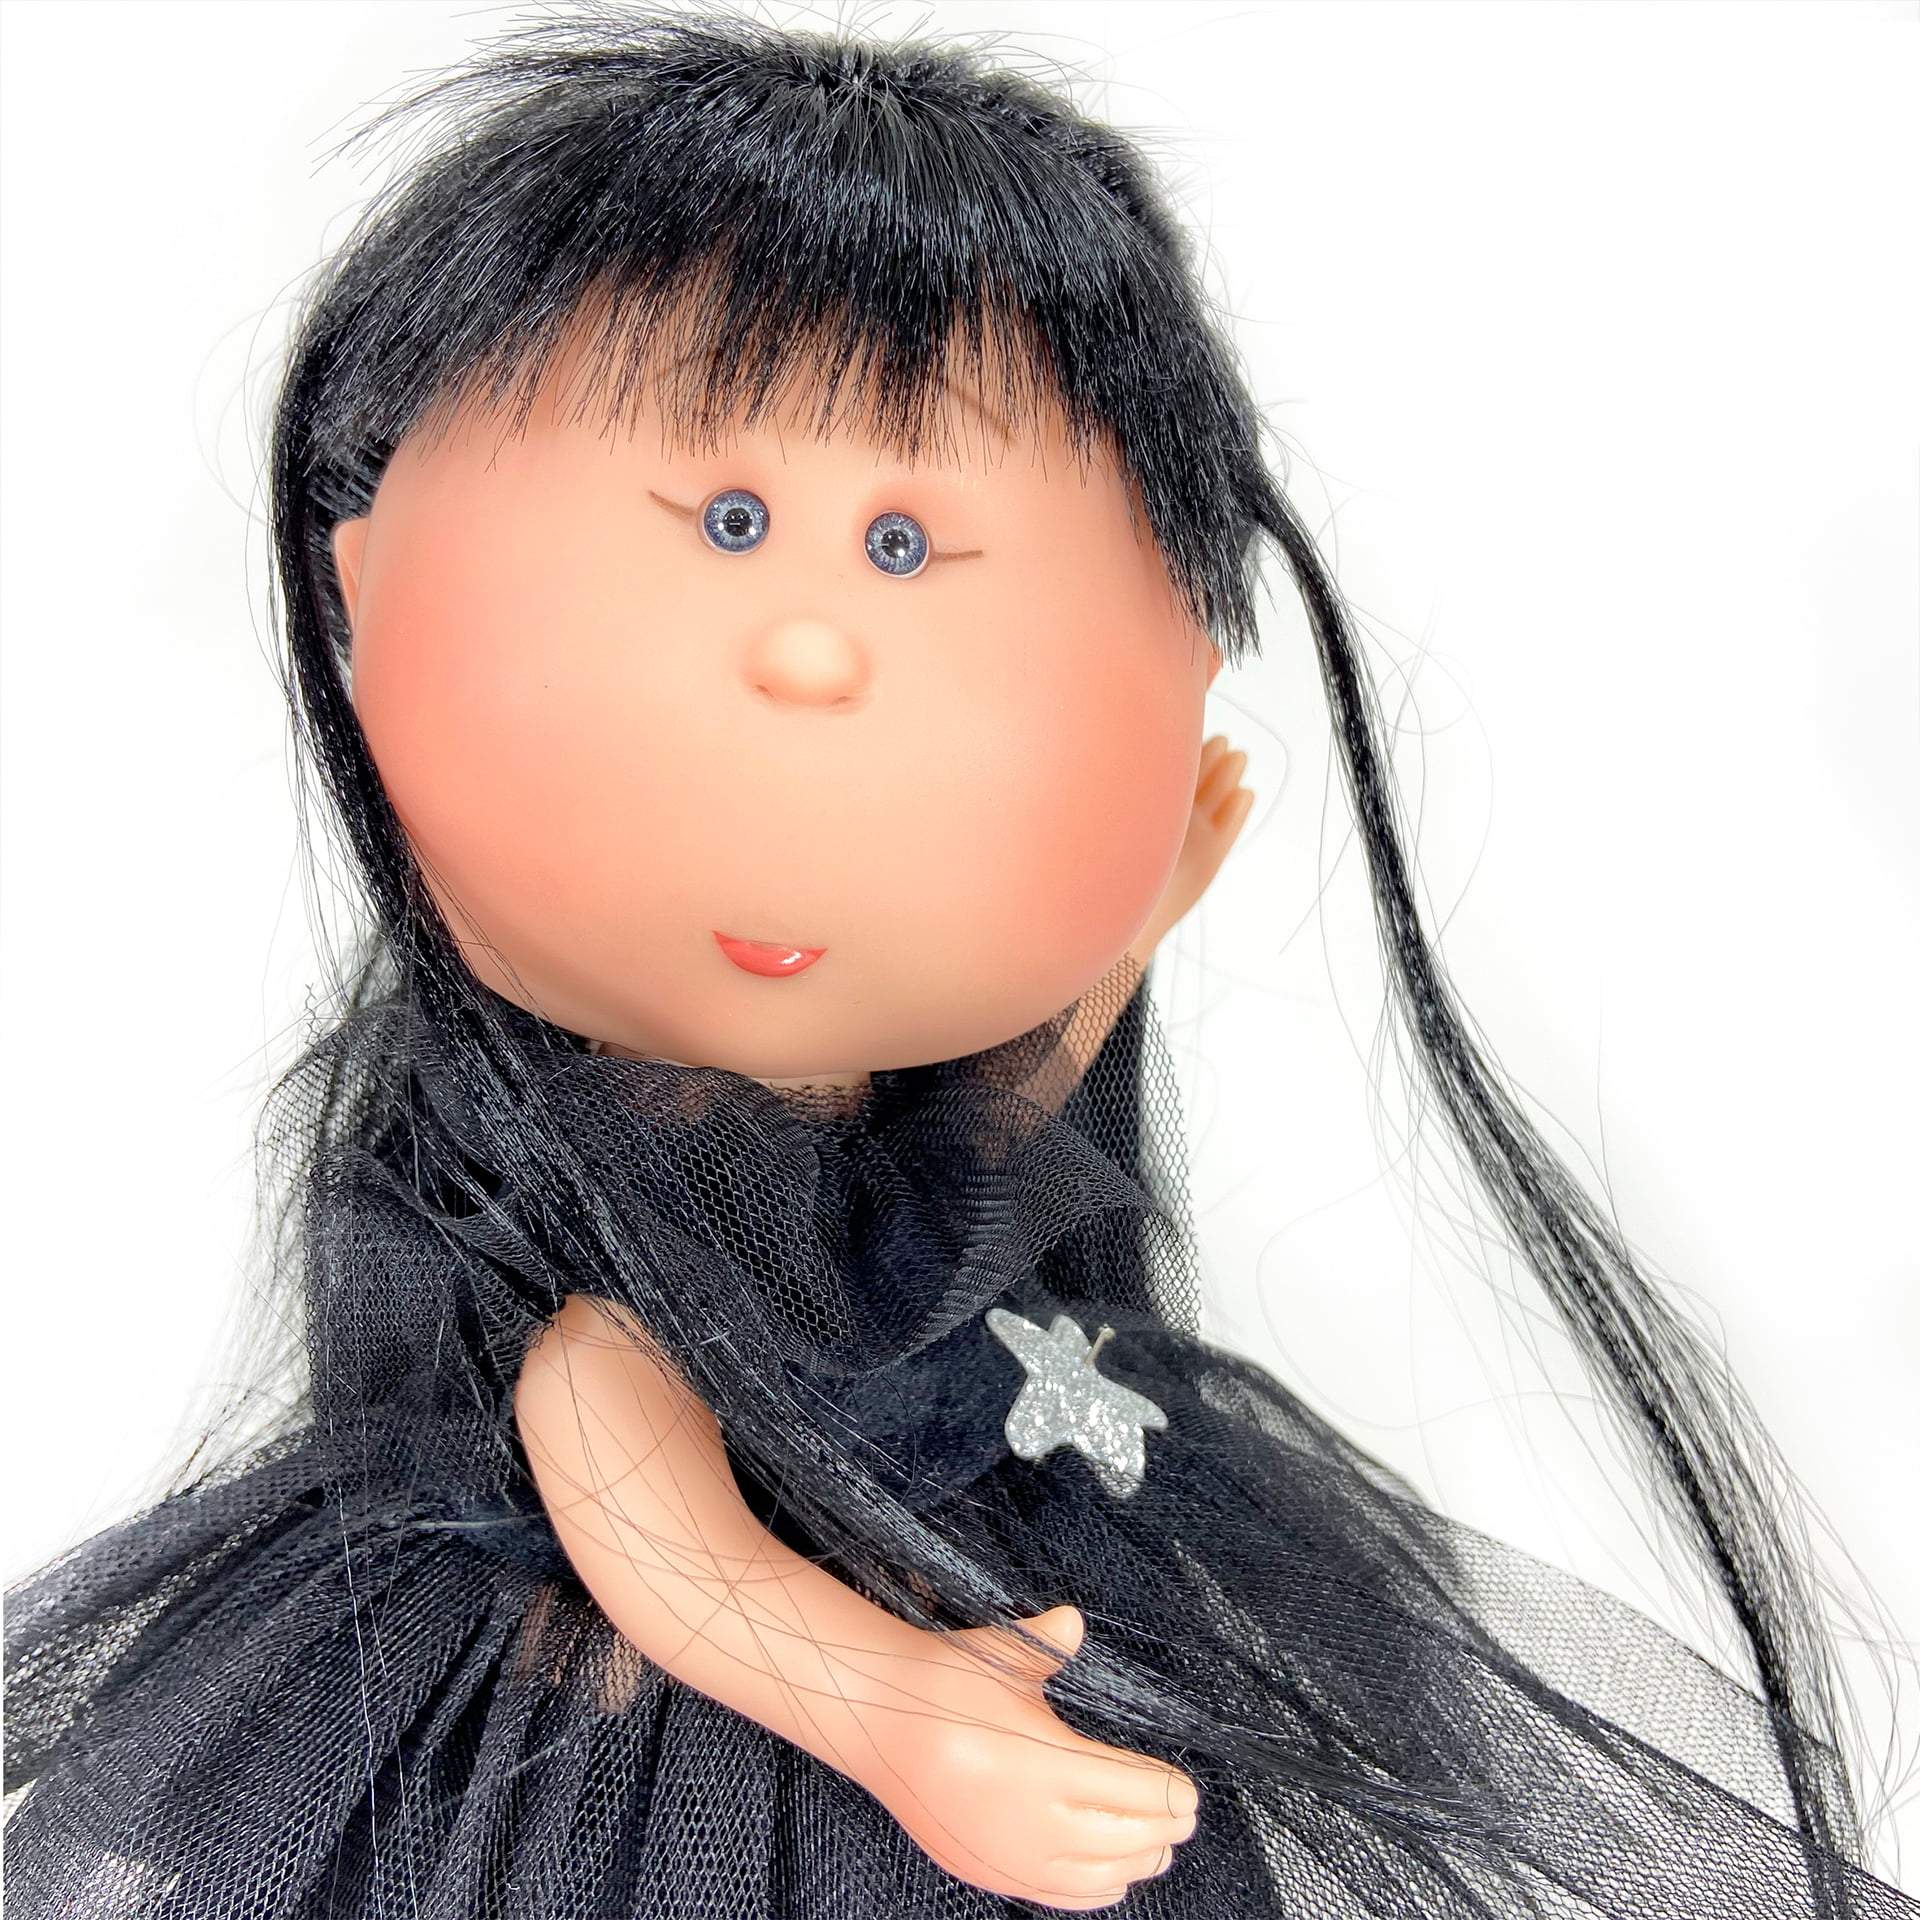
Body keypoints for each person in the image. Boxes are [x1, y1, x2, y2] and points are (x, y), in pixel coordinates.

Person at [4, 8, 1911, 1915]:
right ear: (355, 593)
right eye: (732, 518)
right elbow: (614, 1439)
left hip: (968, 1573)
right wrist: (894, 1713)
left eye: (904, 541)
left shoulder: (869, 1119)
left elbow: (952, 1189)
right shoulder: (601, 1215)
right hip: (665, 1712)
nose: (812, 644)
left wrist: (1123, 927)